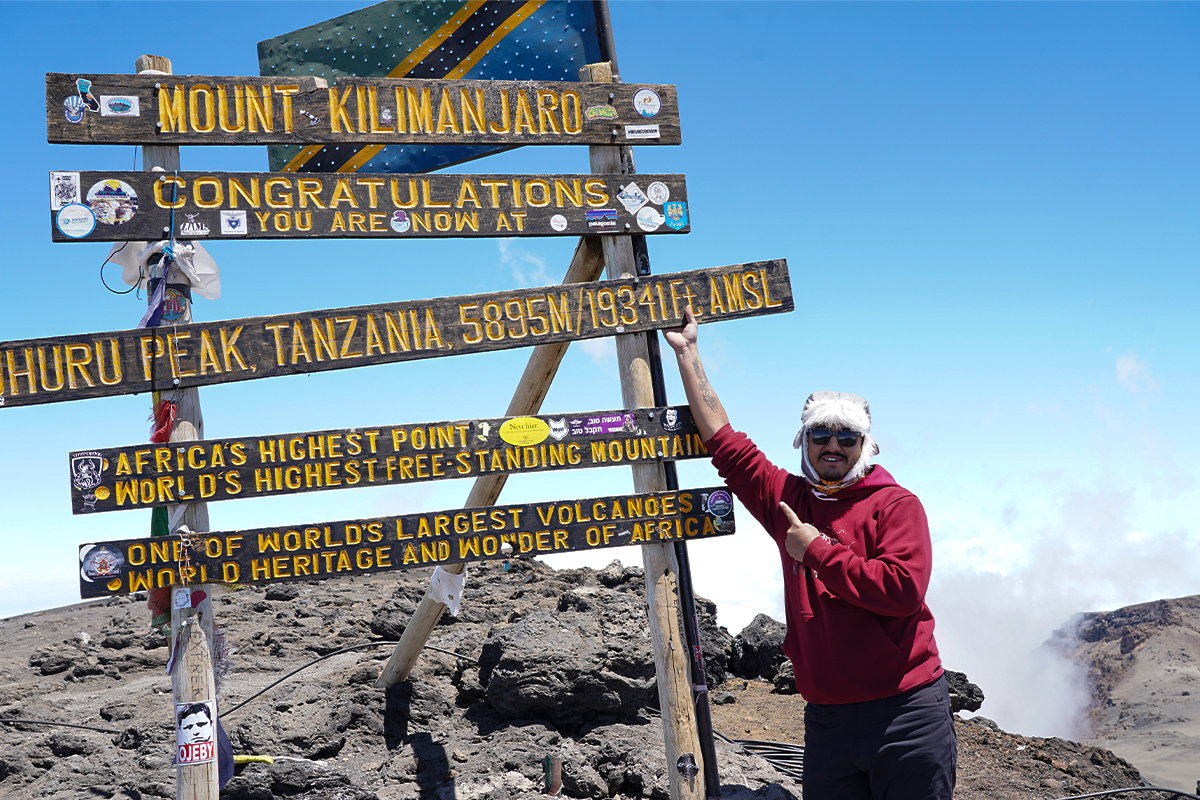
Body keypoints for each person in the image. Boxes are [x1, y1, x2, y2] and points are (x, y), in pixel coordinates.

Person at [664, 307, 956, 800]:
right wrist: (688, 353)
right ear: (805, 441)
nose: (833, 446)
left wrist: (815, 550)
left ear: (867, 445)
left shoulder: (896, 505)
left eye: (847, 437)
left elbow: (902, 591)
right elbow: (726, 444)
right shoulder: (788, 500)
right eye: (821, 435)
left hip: (906, 712)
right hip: (827, 719)